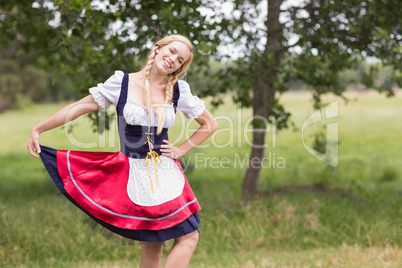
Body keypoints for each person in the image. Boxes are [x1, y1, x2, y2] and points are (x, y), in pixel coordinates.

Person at [27, 34, 217, 268]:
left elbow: (209, 124)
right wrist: (39, 128)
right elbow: (78, 108)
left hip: (166, 173)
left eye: (180, 60)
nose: (173, 60)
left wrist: (181, 149)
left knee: (189, 236)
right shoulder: (122, 83)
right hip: (133, 174)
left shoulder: (178, 90)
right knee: (153, 243)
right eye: (171, 51)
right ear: (158, 49)